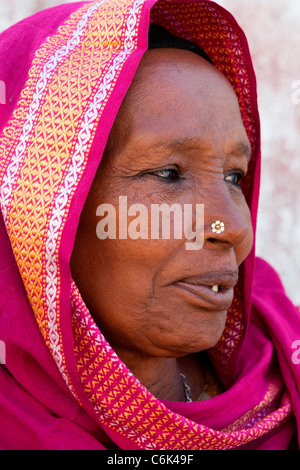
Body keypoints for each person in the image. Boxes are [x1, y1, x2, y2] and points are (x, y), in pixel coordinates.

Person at [0, 0, 299, 450]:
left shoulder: (275, 353)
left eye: (234, 176)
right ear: (39, 208)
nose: (235, 229)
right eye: (169, 174)